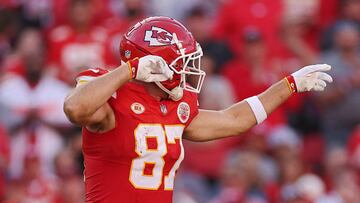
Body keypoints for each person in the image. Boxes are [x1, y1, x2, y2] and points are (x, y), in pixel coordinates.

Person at [63, 16, 333, 202]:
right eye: (182, 62)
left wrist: (289, 84)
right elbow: (75, 109)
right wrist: (130, 69)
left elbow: (234, 119)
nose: (187, 71)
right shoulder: (110, 97)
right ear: (153, 65)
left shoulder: (174, 107)